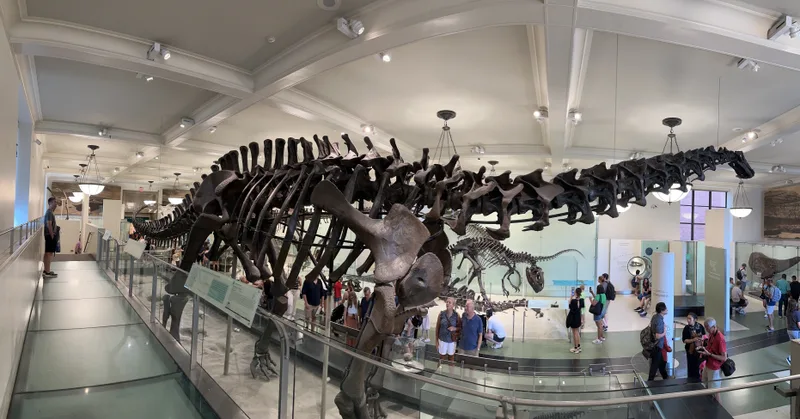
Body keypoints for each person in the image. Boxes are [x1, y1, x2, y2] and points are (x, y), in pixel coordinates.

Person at [698, 317, 727, 396]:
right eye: (705, 327)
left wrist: (710, 354)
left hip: (715, 368)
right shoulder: (711, 334)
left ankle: (717, 407)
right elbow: (709, 346)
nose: (706, 330)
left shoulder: (720, 339)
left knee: (715, 392)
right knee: (705, 385)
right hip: (708, 365)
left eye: (708, 328)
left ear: (714, 327)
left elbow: (724, 358)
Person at [435, 297, 461, 364]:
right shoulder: (441, 314)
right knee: (441, 358)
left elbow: (460, 327)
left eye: (450, 302)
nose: (447, 304)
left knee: (451, 358)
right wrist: (436, 341)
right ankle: (439, 371)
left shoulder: (456, 315)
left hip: (451, 341)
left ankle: (450, 372)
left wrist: (454, 328)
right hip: (442, 340)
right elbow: (437, 328)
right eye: (447, 302)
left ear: (453, 305)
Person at [647, 302, 669, 381]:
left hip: (654, 345)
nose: (667, 309)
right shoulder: (659, 320)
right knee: (655, 365)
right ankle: (650, 380)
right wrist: (665, 331)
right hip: (657, 346)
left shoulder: (654, 317)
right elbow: (657, 335)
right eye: (665, 308)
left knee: (661, 364)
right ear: (662, 310)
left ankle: (665, 377)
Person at [682, 313, 705, 381]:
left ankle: (698, 378)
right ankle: (691, 379)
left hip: (699, 349)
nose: (688, 320)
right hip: (690, 350)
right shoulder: (686, 328)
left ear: (695, 319)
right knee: (691, 365)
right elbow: (684, 340)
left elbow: (704, 336)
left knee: (699, 364)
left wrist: (701, 341)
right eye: (687, 318)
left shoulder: (700, 326)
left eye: (690, 319)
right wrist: (693, 340)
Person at [43, 197, 59, 278]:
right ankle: (47, 272)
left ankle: (47, 270)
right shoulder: (49, 213)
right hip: (50, 236)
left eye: (56, 202)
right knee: (49, 253)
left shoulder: (50, 212)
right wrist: (52, 235)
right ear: (50, 203)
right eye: (54, 202)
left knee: (48, 253)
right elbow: (49, 224)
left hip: (49, 235)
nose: (56, 204)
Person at [566, 287, 585, 353]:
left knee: (575, 333)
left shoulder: (574, 301)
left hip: (574, 318)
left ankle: (576, 347)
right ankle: (578, 346)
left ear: (576, 293)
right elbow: (581, 308)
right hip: (578, 317)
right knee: (577, 332)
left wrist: (571, 297)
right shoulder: (582, 300)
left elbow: (569, 305)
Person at [589, 276, 607, 344]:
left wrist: (590, 299)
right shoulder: (603, 295)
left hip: (597, 313)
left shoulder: (598, 296)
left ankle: (599, 339)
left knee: (599, 326)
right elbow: (597, 299)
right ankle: (602, 337)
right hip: (602, 311)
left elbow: (594, 304)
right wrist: (592, 293)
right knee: (601, 325)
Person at [786, 298, 800, 365]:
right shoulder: (797, 313)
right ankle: (790, 358)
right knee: (797, 346)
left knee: (794, 345)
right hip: (795, 331)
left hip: (789, 330)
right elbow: (799, 324)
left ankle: (791, 358)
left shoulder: (788, 312)